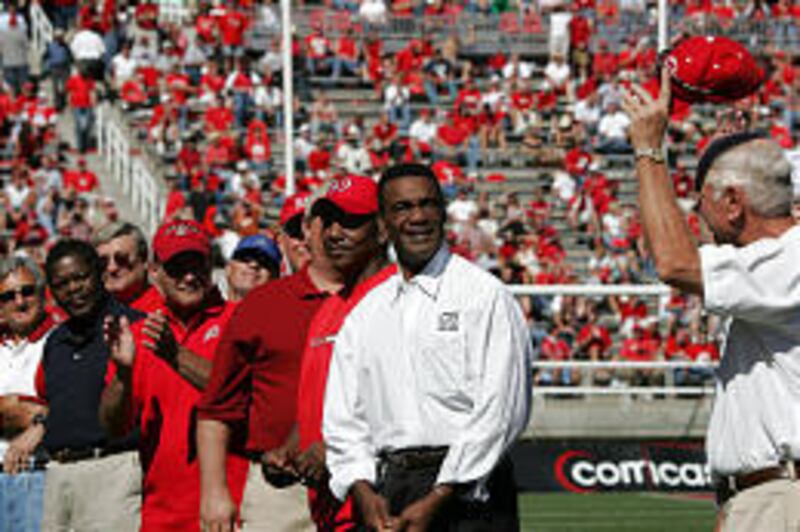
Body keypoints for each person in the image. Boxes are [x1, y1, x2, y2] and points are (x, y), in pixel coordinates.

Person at [623, 68, 800, 531]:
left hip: (783, 498)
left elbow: (675, 264)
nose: (697, 216)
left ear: (735, 203)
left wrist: (648, 150)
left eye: (702, 202)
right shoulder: (777, 264)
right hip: (766, 493)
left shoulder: (792, 261)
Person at [323, 163, 532, 531]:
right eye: (403, 208)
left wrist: (441, 493)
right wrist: (361, 488)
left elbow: (501, 411)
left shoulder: (484, 296)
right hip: (389, 491)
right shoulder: (365, 313)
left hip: (471, 496)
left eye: (427, 204)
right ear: (383, 225)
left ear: (443, 213)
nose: (417, 217)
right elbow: (344, 419)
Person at [195, 187, 346, 532]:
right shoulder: (262, 305)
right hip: (282, 492)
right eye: (297, 230)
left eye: (328, 225)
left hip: (359, 484)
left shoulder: (374, 296)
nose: (308, 238)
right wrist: (214, 491)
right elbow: (217, 407)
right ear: (283, 238)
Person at [99, 219, 249, 532]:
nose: (190, 276)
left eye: (197, 265)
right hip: (161, 516)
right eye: (177, 267)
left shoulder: (240, 320)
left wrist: (176, 356)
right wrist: (123, 376)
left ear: (211, 267)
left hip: (231, 510)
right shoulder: (138, 335)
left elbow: (240, 396)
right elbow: (113, 427)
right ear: (155, 272)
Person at [294, 175, 393, 530]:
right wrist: (293, 446)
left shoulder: (401, 298)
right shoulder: (329, 308)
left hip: (381, 507)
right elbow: (317, 402)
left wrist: (334, 450)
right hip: (329, 510)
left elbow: (406, 407)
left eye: (350, 222)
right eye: (327, 221)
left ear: (382, 230)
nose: (334, 233)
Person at [38, 239, 142, 532]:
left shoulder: (133, 328)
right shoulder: (55, 342)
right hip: (58, 475)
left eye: (80, 277)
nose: (73, 289)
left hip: (112, 471)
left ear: (98, 274)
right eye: (62, 283)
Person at [0, 257, 55, 532]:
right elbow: (32, 412)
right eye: (8, 296)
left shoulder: (60, 340)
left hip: (38, 476)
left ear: (43, 294)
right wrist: (27, 410)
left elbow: (69, 407)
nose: (19, 301)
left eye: (27, 291)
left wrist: (37, 417)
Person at [93, 221, 161, 312]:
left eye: (121, 259)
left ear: (144, 261)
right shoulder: (90, 310)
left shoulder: (164, 309)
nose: (112, 268)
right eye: (103, 261)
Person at [224, 233, 282, 302]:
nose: (254, 265)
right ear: (228, 268)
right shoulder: (209, 309)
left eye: (264, 262)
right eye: (246, 257)